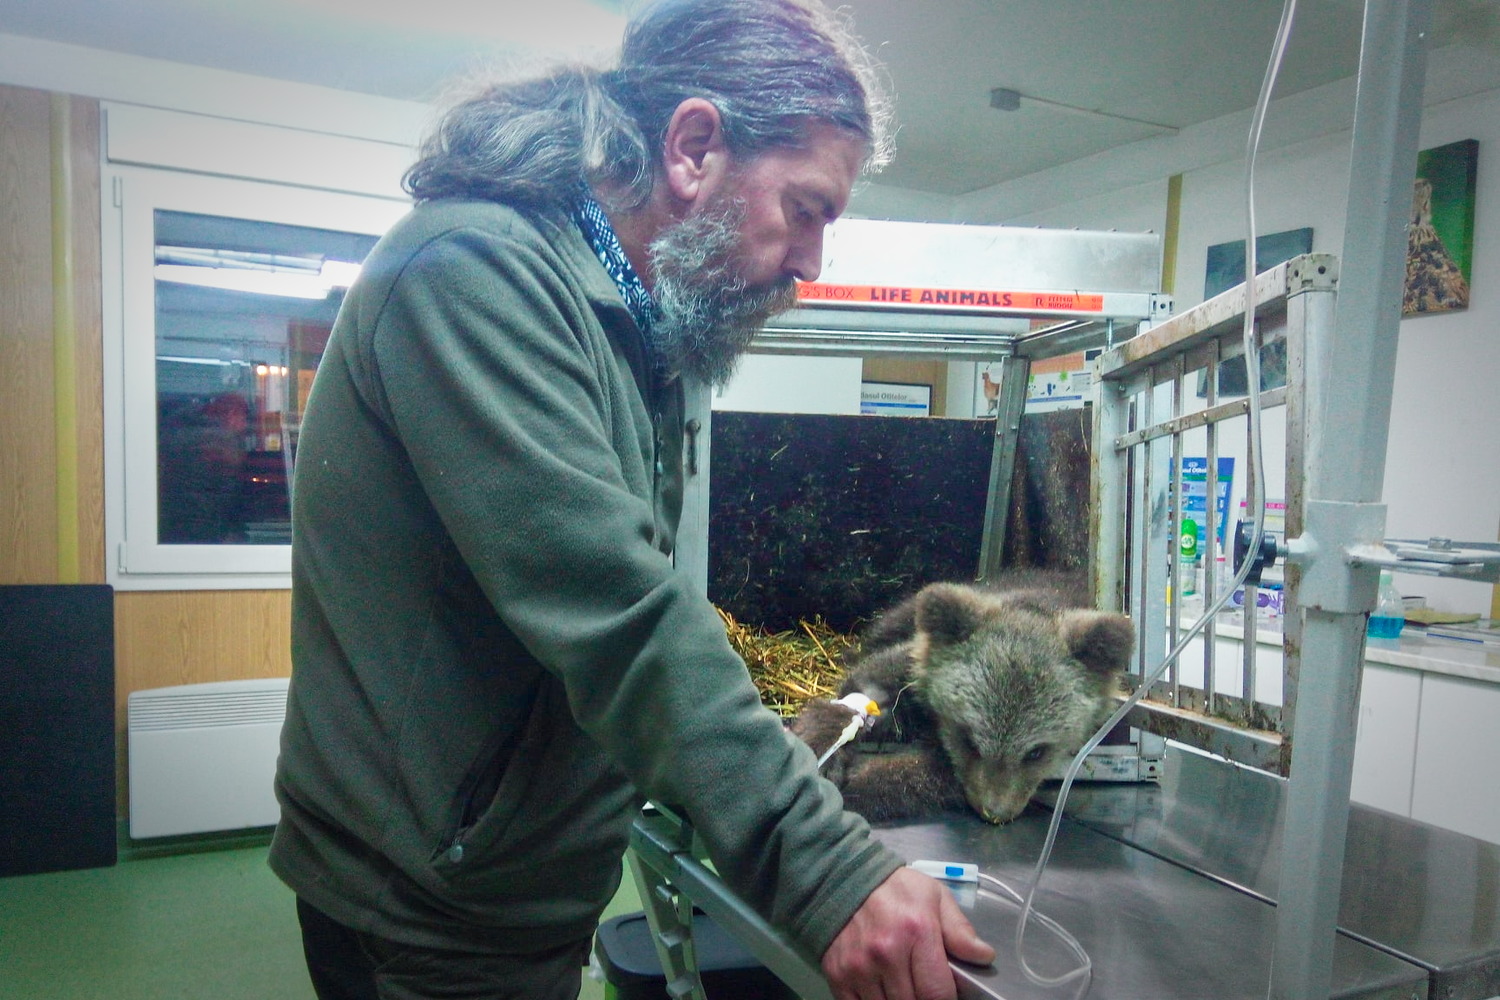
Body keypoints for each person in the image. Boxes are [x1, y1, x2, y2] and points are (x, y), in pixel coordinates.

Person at [269, 1, 995, 997]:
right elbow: (617, 612)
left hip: (520, 876)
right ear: (694, 147)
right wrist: (827, 865)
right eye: (807, 208)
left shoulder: (645, 328)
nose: (812, 265)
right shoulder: (471, 275)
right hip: (426, 905)